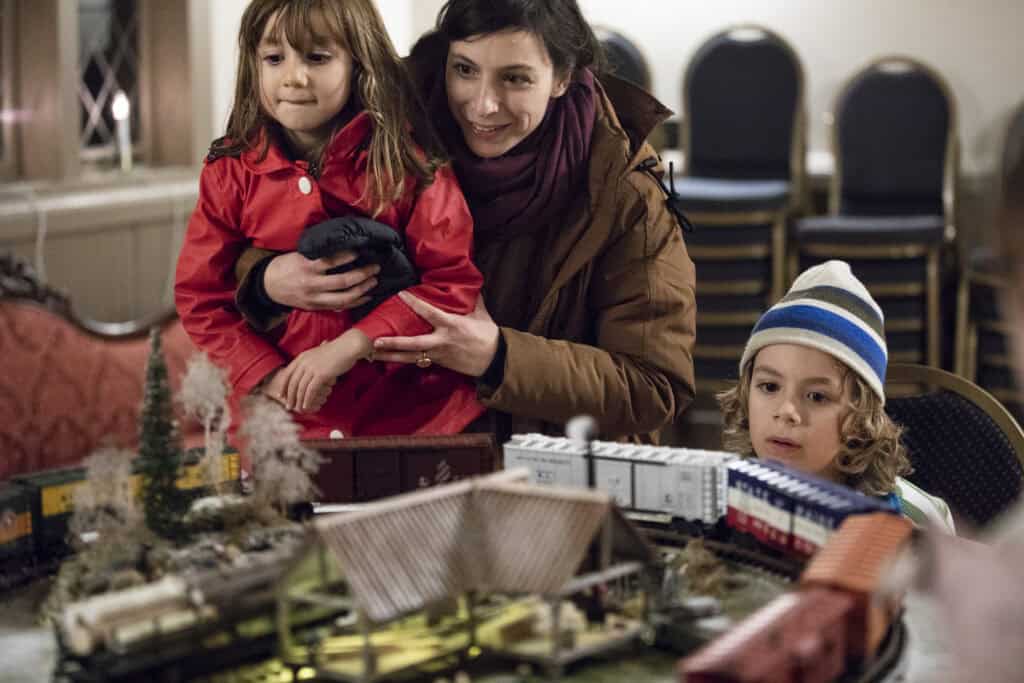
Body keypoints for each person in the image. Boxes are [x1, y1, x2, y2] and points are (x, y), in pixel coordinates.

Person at [233, 0, 697, 444]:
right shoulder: (380, 137)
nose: (483, 105)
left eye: (515, 78)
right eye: (465, 70)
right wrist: (263, 278)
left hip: (545, 474)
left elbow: (654, 385)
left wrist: (498, 357)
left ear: (562, 78)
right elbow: (244, 233)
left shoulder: (625, 193)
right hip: (389, 447)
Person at [175, 0, 486, 439]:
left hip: (411, 421)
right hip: (279, 427)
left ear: (359, 65)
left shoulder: (410, 165)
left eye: (317, 57)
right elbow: (200, 297)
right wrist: (266, 375)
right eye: (274, 58)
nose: (294, 76)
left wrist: (349, 347)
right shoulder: (229, 170)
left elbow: (451, 285)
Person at [718, 259, 956, 533]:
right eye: (769, 387)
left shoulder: (916, 525)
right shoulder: (722, 505)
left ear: (860, 416)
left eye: (817, 396)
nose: (786, 411)